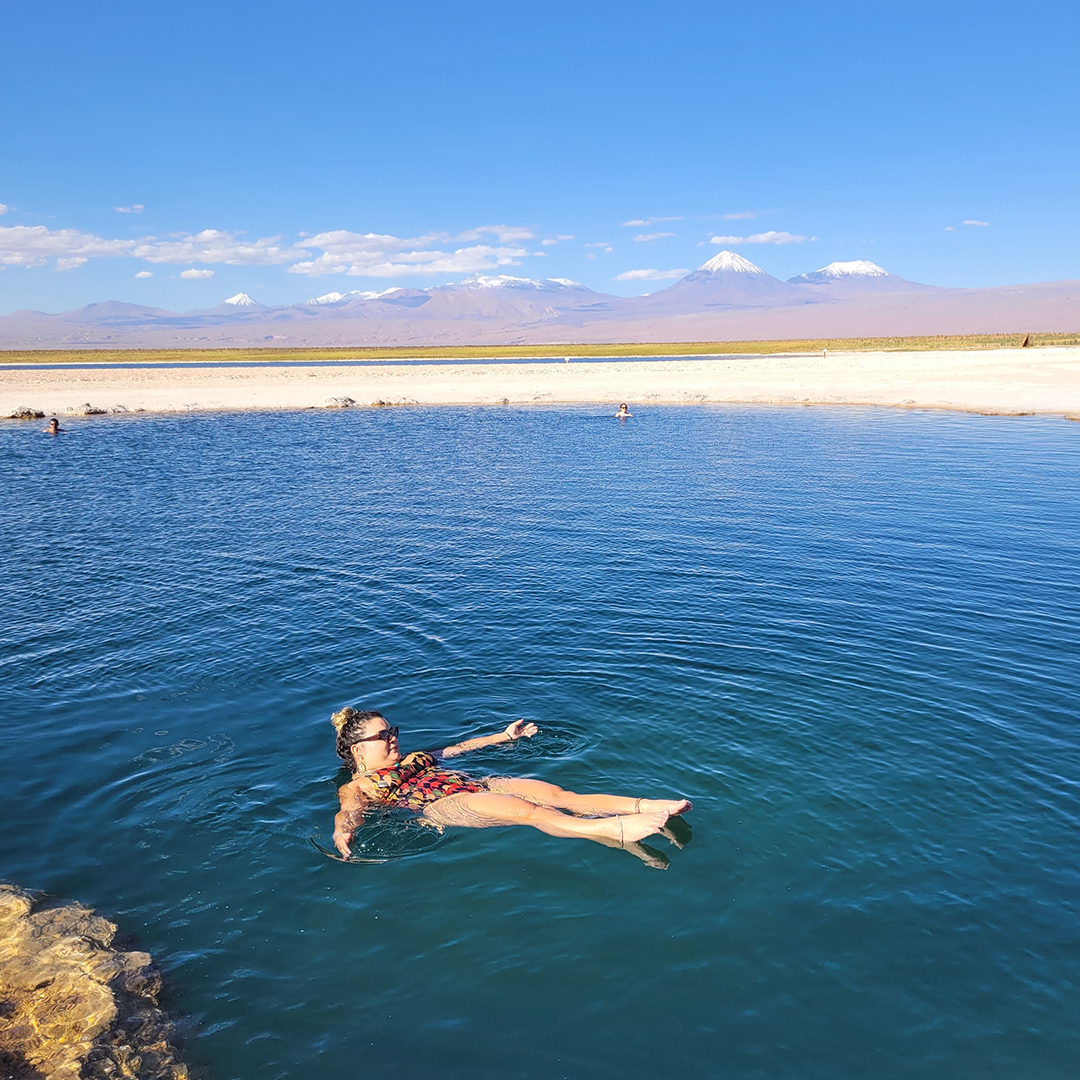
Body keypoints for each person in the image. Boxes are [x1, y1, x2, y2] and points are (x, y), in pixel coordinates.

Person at [331, 708, 690, 863]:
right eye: (384, 735)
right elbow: (350, 812)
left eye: (393, 730)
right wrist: (343, 833)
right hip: (443, 805)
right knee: (531, 812)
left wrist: (502, 736)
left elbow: (460, 748)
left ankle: (643, 806)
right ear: (359, 749)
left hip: (480, 785)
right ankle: (614, 830)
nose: (393, 737)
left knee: (561, 796)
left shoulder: (416, 757)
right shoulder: (357, 785)